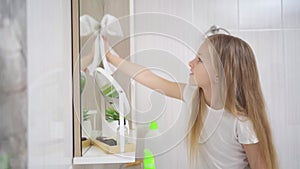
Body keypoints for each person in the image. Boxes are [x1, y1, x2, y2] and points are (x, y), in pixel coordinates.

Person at [103, 34, 278, 169]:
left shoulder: (242, 123)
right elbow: (151, 78)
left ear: (219, 73)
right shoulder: (194, 96)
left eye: (199, 60)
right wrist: (112, 58)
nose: (191, 63)